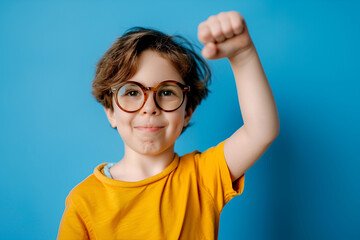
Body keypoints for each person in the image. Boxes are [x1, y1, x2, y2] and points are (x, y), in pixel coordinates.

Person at [57, 11, 279, 240]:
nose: (149, 107)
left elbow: (260, 130)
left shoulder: (202, 177)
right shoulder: (84, 200)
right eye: (132, 92)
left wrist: (243, 55)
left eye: (166, 92)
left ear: (187, 112)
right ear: (111, 112)